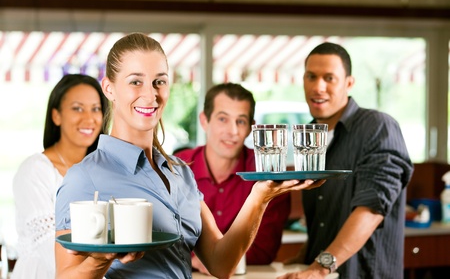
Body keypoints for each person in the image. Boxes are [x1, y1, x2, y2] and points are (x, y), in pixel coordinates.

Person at [54, 32, 321, 279]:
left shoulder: (180, 172)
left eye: (159, 81)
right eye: (135, 81)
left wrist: (260, 196)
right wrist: (103, 258)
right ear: (109, 88)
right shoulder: (84, 178)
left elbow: (220, 262)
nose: (151, 94)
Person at [279, 42, 413, 279]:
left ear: (349, 83)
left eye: (329, 78)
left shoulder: (378, 127)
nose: (318, 87)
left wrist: (320, 268)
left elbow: (371, 209)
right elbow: (326, 218)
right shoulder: (310, 137)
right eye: (311, 76)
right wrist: (306, 255)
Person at [175, 83, 291, 274]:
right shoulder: (177, 168)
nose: (233, 131)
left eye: (241, 121)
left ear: (251, 127)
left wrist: (209, 258)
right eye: (223, 119)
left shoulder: (269, 173)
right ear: (204, 121)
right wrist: (196, 259)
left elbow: (263, 251)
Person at [11, 74, 108, 278]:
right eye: (77, 108)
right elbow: (51, 249)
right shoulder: (36, 171)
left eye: (96, 108)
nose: (89, 118)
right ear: (56, 116)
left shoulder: (104, 171)